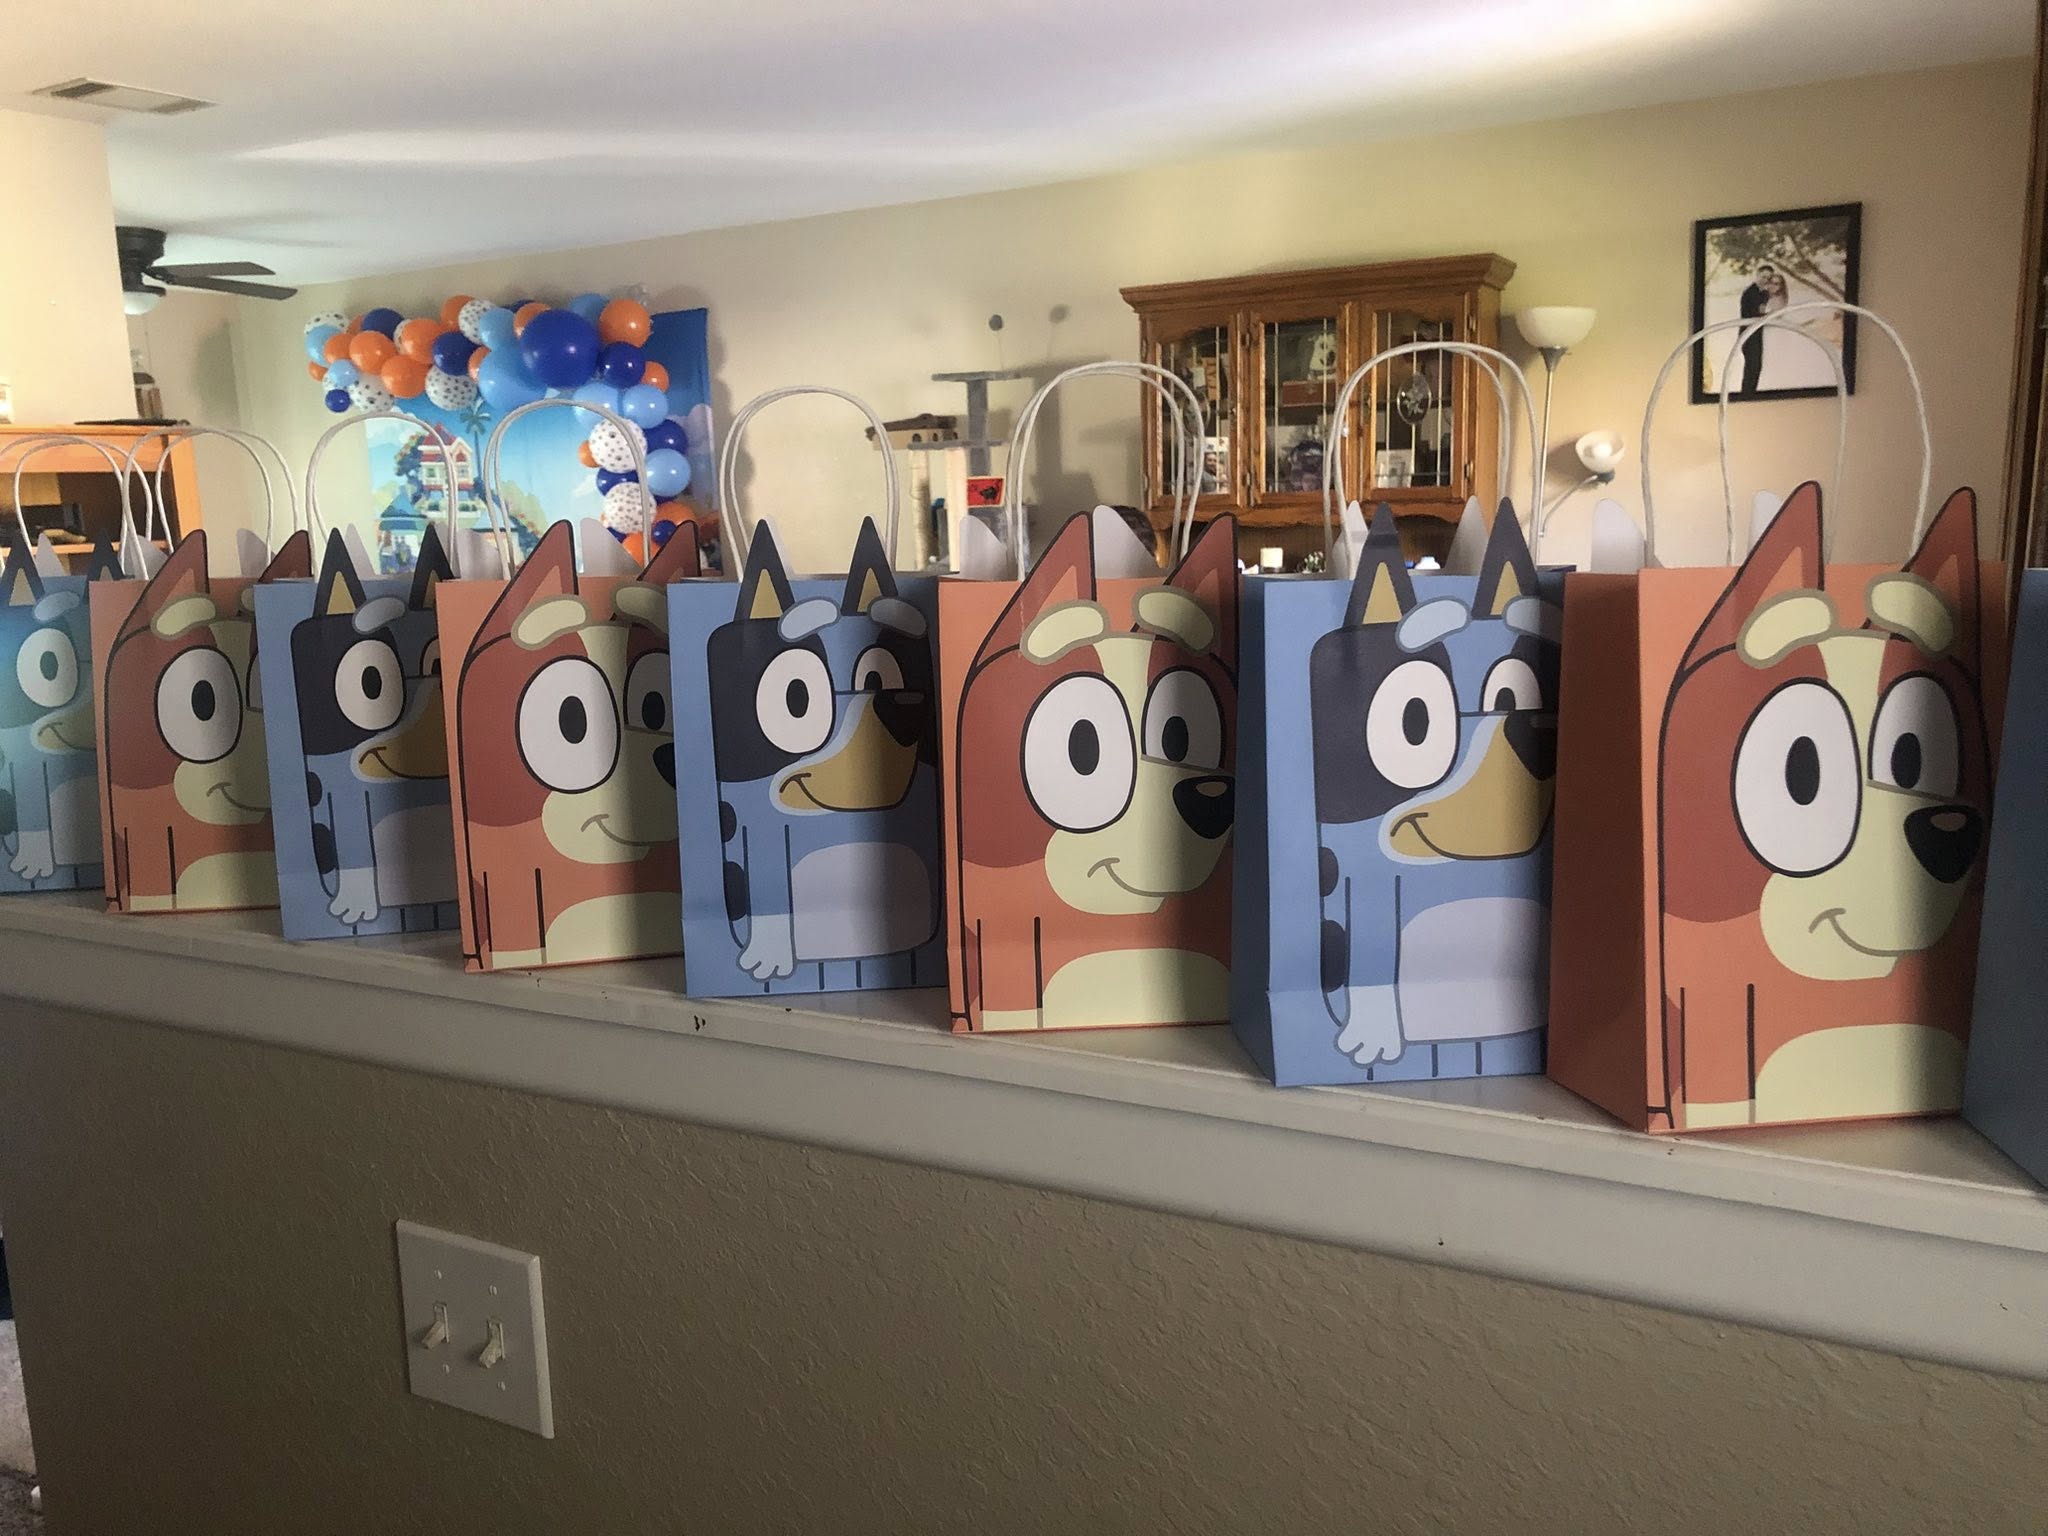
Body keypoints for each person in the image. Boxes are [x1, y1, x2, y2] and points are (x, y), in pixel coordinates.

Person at [1736, 264, 1789, 394]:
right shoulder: (1751, 292)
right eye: (1764, 277)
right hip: (1750, 335)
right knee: (1752, 367)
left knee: (1756, 367)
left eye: (1768, 278)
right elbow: (1754, 314)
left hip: (1758, 334)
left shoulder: (1765, 294)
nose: (1766, 280)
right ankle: (1747, 394)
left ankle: (1750, 393)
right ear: (1757, 275)